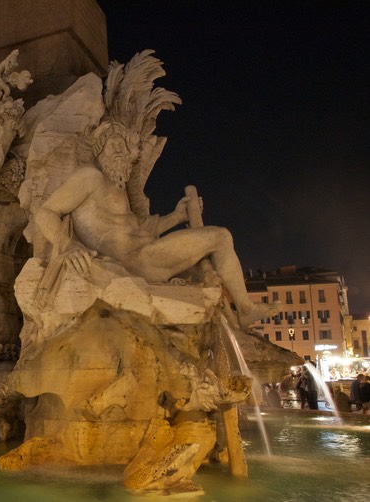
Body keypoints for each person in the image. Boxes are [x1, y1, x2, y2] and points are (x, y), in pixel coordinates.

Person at [33, 51, 278, 328]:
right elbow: (46, 212)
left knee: (205, 266)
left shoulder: (116, 188)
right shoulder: (89, 177)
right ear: (99, 150)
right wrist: (68, 246)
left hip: (146, 253)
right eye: (113, 145)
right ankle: (245, 308)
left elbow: (139, 228)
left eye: (124, 148)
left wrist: (177, 217)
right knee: (220, 237)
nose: (120, 152)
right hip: (135, 263)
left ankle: (235, 312)